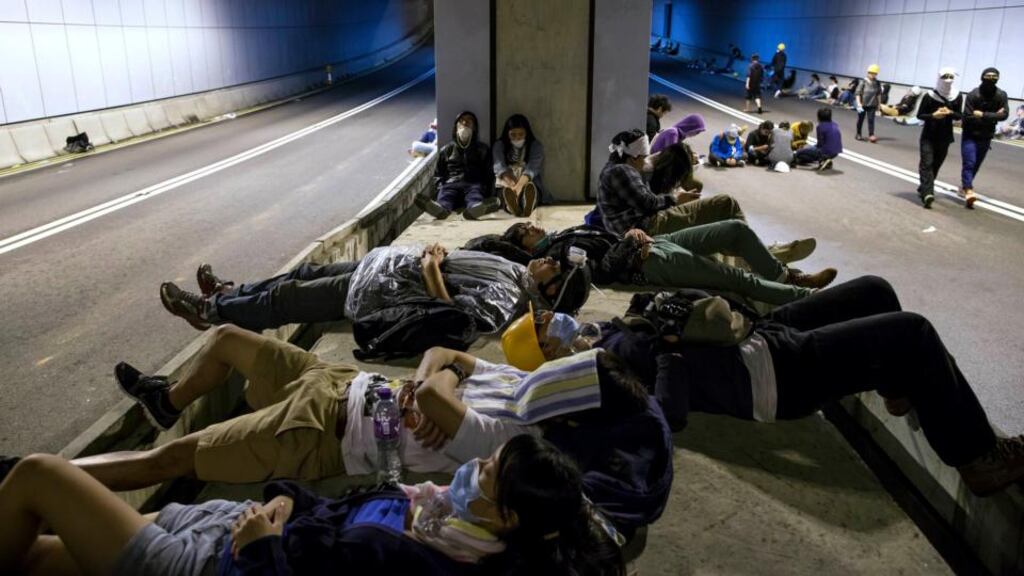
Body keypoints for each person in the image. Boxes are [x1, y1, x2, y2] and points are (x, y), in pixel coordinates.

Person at [514, 275, 1024, 498]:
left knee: (875, 291)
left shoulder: (604, 334)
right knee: (913, 332)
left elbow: (674, 315)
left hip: (758, 336)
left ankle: (896, 383)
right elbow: (667, 415)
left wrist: (654, 307)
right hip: (774, 375)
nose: (550, 320)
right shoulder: (599, 373)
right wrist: (668, 344)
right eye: (543, 330)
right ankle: (978, 456)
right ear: (551, 356)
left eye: (543, 317)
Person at [52, 329, 639, 495]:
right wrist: (445, 373)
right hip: (337, 380)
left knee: (172, 459)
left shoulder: (514, 444)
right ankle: (166, 400)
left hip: (320, 434)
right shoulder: (519, 383)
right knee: (228, 338)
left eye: (575, 372)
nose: (562, 360)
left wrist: (441, 383)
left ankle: (34, 479)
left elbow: (436, 392)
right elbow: (443, 356)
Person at [0, 436, 626, 576]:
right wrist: (283, 500)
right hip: (232, 529)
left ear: (508, 517)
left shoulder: (435, 567)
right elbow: (338, 509)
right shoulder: (442, 515)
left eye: (489, 472)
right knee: (34, 559)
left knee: (39, 476)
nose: (474, 467)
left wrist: (267, 547)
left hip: (220, 567)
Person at [159, 245, 590, 336]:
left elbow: (459, 315)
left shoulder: (509, 299)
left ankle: (211, 310)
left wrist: (431, 266)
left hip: (384, 289)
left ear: (551, 292)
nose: (550, 258)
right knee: (303, 272)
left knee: (289, 299)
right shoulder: (516, 271)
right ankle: (231, 294)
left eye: (556, 266)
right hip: (384, 265)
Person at [496, 220, 836, 306]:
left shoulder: (561, 236)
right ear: (525, 247)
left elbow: (607, 242)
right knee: (733, 278)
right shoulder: (557, 256)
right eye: (527, 231)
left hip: (653, 243)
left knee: (734, 230)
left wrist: (631, 233)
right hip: (646, 263)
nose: (534, 226)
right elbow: (604, 270)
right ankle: (810, 300)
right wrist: (630, 241)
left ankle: (788, 276)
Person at [597, 129, 747, 236]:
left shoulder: (615, 169)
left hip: (646, 221)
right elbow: (647, 203)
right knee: (726, 203)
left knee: (721, 212)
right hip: (647, 225)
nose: (645, 162)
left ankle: (741, 250)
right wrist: (675, 199)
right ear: (633, 157)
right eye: (643, 157)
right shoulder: (622, 171)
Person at [416, 111, 500, 220]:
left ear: (474, 127)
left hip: (473, 183)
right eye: (461, 122)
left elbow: (489, 173)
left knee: (474, 196)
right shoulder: (446, 150)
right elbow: (438, 174)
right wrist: (440, 189)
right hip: (451, 184)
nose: (465, 124)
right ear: (456, 128)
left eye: (469, 122)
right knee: (445, 196)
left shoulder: (482, 149)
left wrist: (488, 192)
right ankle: (441, 209)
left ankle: (475, 209)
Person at [961, 67, 1009, 208]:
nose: (991, 78)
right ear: (982, 77)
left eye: (994, 76)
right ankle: (968, 190)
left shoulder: (1001, 95)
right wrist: (994, 115)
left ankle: (964, 185)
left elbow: (1005, 115)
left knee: (976, 164)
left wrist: (982, 115)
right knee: (969, 162)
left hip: (986, 136)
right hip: (970, 134)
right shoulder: (973, 95)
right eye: (988, 76)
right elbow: (968, 117)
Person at [916, 68, 963, 209]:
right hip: (928, 135)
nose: (947, 80)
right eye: (945, 77)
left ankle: (923, 187)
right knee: (927, 163)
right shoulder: (929, 96)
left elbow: (959, 115)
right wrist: (933, 116)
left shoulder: (957, 96)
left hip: (945, 136)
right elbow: (920, 115)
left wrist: (950, 112)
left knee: (936, 164)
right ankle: (928, 194)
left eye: (950, 77)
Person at [493, 113, 546, 216]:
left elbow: (532, 168)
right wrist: (513, 187)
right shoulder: (499, 145)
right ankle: (511, 207)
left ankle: (527, 204)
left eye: (521, 134)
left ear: (527, 133)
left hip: (528, 181)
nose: (517, 138)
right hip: (507, 182)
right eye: (513, 134)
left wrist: (520, 186)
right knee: (505, 193)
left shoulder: (535, 145)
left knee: (531, 190)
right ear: (507, 134)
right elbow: (500, 167)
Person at [649, 114, 707, 193]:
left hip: (663, 166)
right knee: (697, 185)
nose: (696, 134)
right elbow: (674, 157)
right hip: (662, 169)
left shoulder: (676, 133)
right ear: (691, 127)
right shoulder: (673, 133)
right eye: (697, 132)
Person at [855, 65, 882, 142]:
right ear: (868, 73)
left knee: (871, 120)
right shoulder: (863, 82)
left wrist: (879, 105)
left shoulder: (877, 83)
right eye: (871, 73)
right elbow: (858, 93)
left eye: (874, 73)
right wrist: (858, 103)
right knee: (860, 119)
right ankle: (858, 134)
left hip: (872, 104)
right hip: (862, 105)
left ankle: (871, 135)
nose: (872, 75)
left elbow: (879, 94)